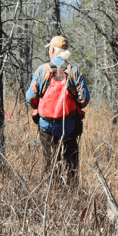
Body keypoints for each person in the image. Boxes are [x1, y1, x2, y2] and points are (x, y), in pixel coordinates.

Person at [26, 36, 90, 183]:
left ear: (53, 50)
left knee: (51, 164)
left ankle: (54, 196)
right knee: (71, 164)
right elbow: (84, 99)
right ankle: (71, 196)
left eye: (50, 48)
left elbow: (30, 97)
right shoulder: (74, 70)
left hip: (46, 126)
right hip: (70, 125)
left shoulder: (42, 70)